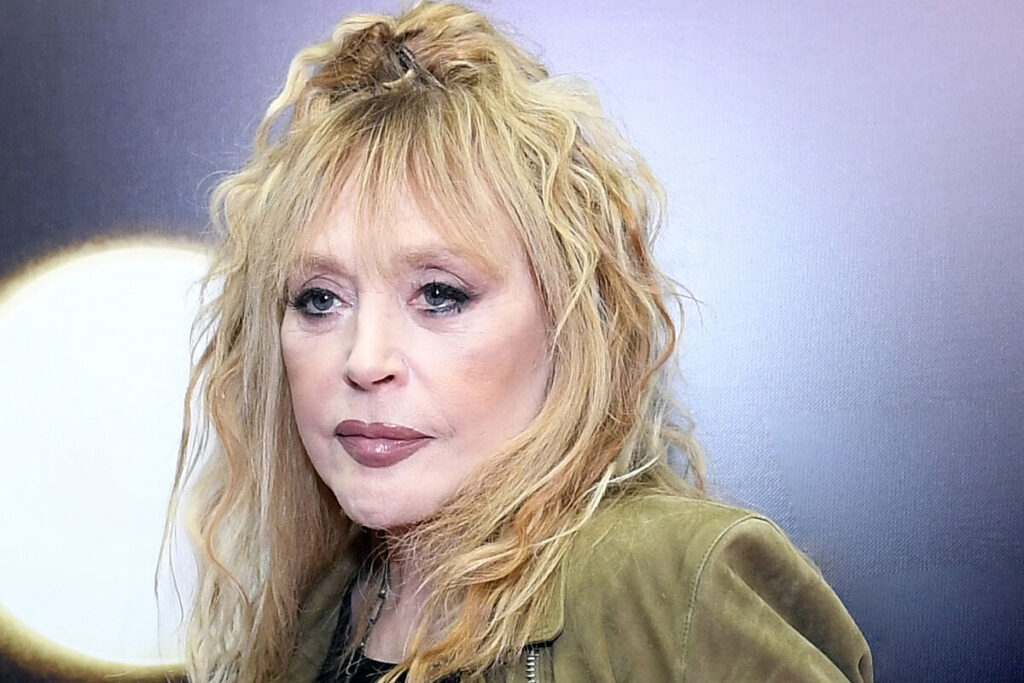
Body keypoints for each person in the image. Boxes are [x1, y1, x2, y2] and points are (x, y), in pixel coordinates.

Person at [166, 2, 873, 681]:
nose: (365, 360)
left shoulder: (680, 591)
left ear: (567, 322)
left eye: (439, 294)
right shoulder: (315, 611)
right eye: (320, 299)